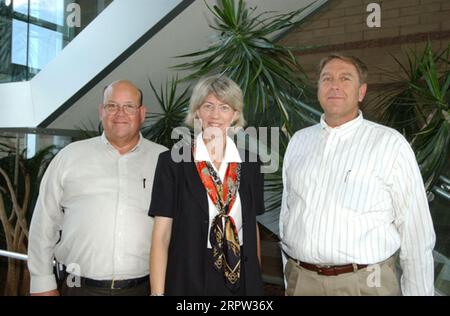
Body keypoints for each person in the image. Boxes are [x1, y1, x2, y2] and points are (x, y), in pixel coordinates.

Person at [279, 54, 436, 296]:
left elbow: (416, 231)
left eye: (345, 78)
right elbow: (287, 214)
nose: (335, 85)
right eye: (327, 78)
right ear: (318, 89)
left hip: (366, 284)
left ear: (361, 92)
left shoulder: (389, 144)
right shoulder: (299, 142)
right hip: (302, 282)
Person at [28, 80, 167, 296]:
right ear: (102, 112)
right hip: (78, 288)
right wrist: (42, 284)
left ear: (142, 113)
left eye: (129, 106)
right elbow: (43, 223)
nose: (119, 113)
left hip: (144, 289)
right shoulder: (70, 156)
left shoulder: (164, 161)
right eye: (112, 106)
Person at [149, 75, 265, 296]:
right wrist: (157, 293)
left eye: (224, 107)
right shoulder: (173, 162)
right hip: (189, 276)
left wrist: (256, 282)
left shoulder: (251, 164)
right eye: (208, 106)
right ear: (197, 112)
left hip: (241, 277)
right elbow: (161, 235)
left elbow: (253, 228)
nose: (215, 115)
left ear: (235, 115)